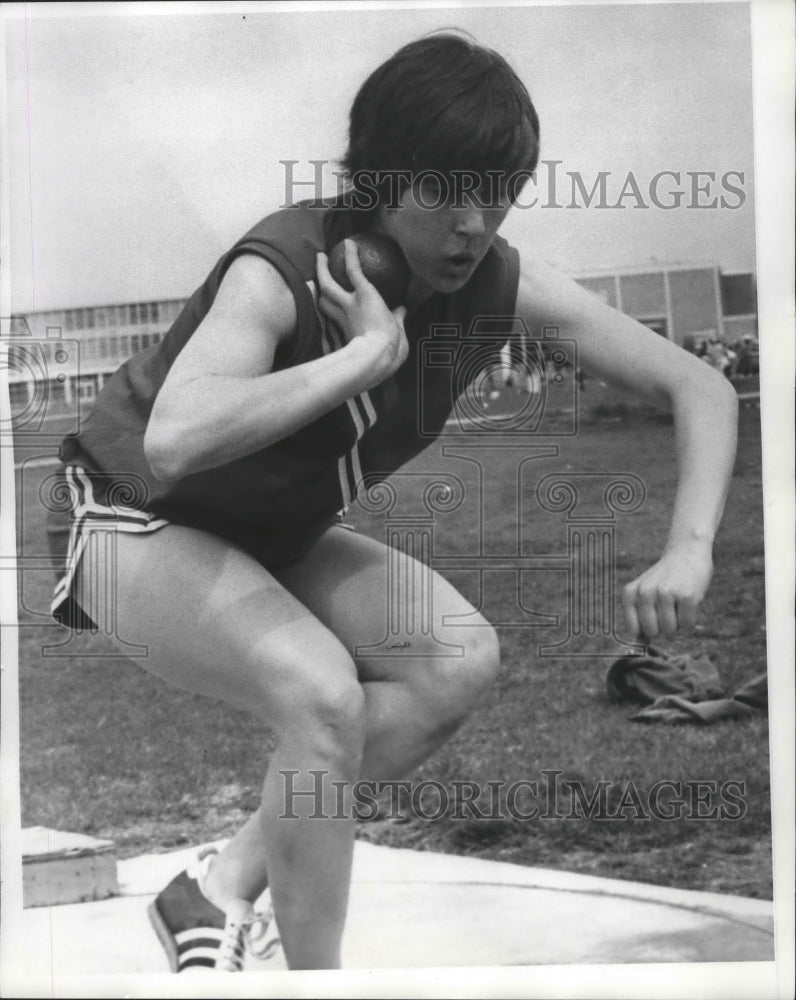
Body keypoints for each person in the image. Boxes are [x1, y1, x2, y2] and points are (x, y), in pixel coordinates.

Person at [49, 32, 738, 972]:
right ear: (379, 179)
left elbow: (696, 385)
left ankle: (216, 885)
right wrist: (363, 358)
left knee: (454, 661)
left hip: (264, 533)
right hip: (129, 512)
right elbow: (174, 438)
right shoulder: (286, 265)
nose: (472, 223)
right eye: (445, 190)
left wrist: (690, 547)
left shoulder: (500, 282)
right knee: (320, 695)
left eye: (496, 191)